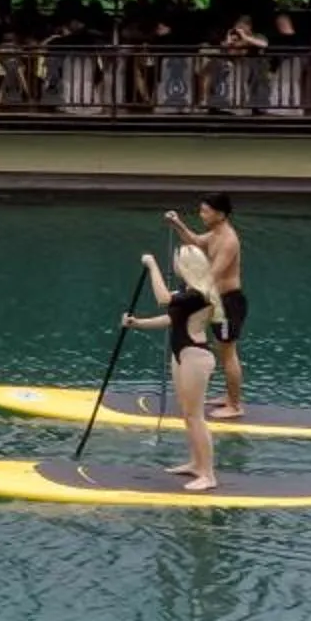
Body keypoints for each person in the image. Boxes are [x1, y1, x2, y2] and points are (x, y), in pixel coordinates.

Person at [120, 244, 227, 491]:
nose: (174, 263)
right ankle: (196, 464)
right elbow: (171, 317)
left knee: (196, 416)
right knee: (187, 414)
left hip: (195, 356)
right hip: (181, 355)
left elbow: (162, 299)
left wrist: (152, 265)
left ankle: (208, 475)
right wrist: (138, 323)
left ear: (187, 265)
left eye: (177, 260)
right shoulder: (187, 291)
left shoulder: (199, 294)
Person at [165, 193, 247, 418]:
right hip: (216, 301)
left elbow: (212, 275)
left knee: (228, 353)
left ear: (220, 214)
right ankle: (228, 396)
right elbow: (195, 241)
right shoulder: (215, 234)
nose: (201, 215)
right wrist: (177, 224)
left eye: (205, 211)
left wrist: (182, 296)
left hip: (229, 302)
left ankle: (235, 406)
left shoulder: (228, 240)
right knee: (223, 351)